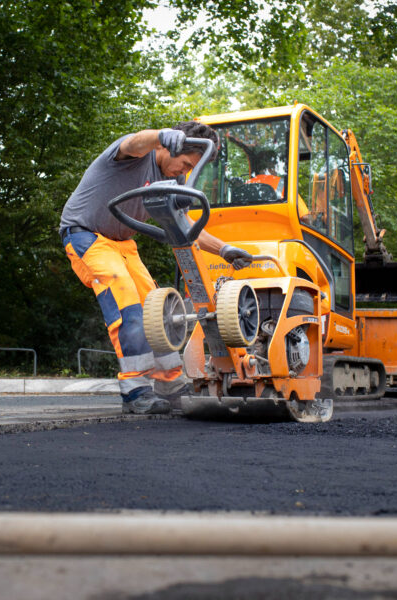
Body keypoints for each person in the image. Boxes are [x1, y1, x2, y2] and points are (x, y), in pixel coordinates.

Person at [60, 122, 253, 415]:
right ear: (169, 146)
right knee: (128, 306)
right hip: (86, 235)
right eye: (185, 163)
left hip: (123, 245)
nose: (185, 172)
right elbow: (134, 143)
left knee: (159, 313)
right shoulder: (135, 154)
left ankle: (170, 385)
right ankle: (135, 390)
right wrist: (160, 136)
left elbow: (185, 224)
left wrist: (224, 249)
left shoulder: (172, 180)